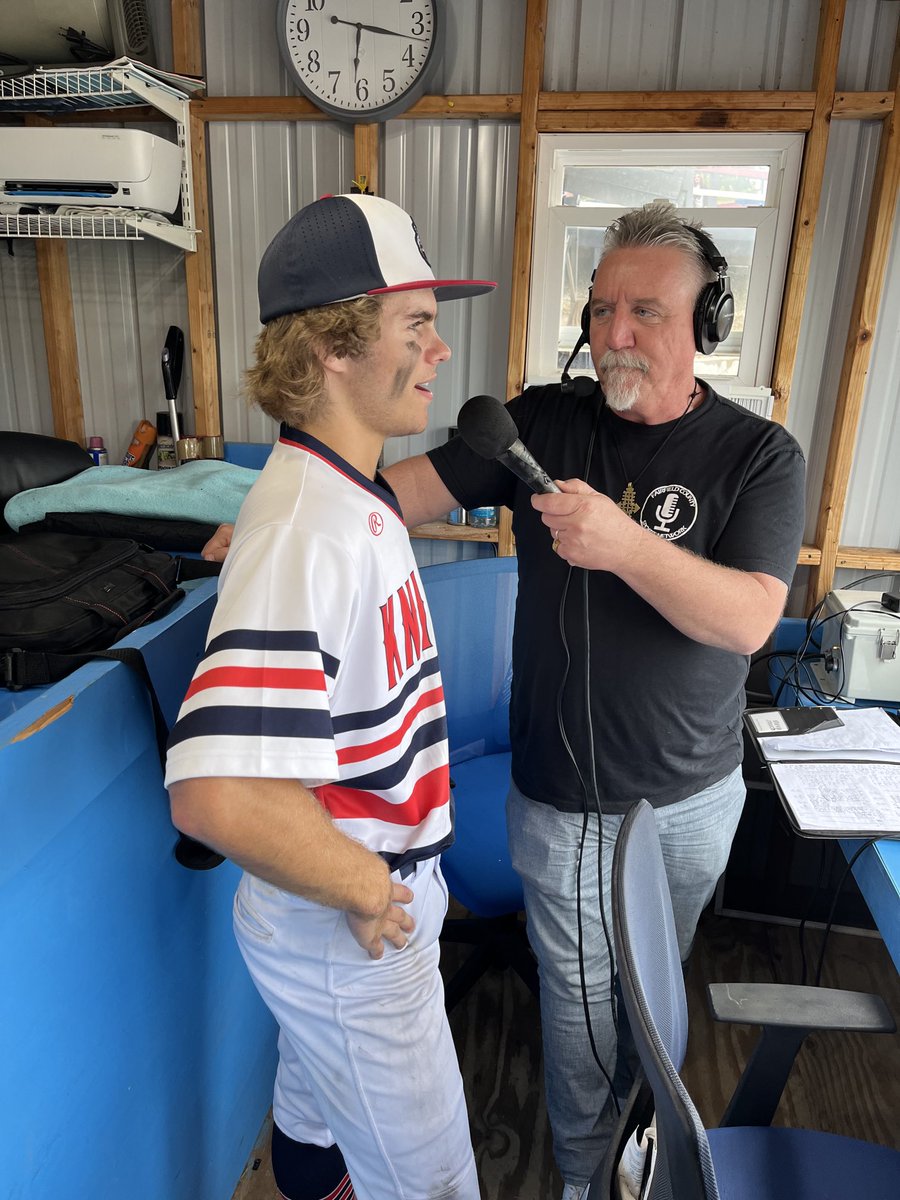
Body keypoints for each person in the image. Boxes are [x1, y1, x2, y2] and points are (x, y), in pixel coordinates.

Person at [202, 199, 806, 1196]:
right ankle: (583, 1178)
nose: (614, 333)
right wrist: (265, 519)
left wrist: (624, 547)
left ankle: (631, 1151)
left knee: (646, 1009)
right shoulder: (538, 422)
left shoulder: (758, 456)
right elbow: (402, 493)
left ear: (707, 323)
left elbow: (746, 621)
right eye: (602, 307)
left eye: (646, 312)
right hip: (564, 798)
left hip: (694, 796)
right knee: (582, 1027)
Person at [166, 192, 495, 1200]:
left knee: (313, 1127)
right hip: (350, 914)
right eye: (416, 327)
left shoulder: (353, 492)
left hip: (355, 897)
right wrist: (367, 889)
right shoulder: (305, 526)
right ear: (333, 349)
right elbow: (216, 798)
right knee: (433, 1184)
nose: (440, 350)